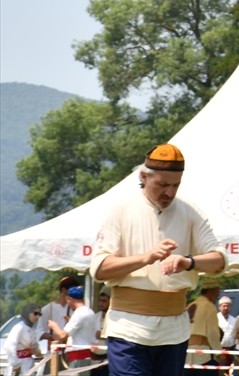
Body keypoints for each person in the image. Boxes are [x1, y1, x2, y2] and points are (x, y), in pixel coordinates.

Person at [90, 143, 227, 376]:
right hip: (127, 328)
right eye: (162, 184)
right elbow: (100, 269)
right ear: (144, 176)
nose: (170, 193)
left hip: (174, 330)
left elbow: (219, 261)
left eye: (175, 185)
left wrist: (189, 262)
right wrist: (147, 257)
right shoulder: (120, 210)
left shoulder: (190, 212)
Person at [46, 286, 100, 369]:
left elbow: (62, 335)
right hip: (86, 354)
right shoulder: (90, 312)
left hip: (78, 355)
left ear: (69, 298)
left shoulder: (79, 313)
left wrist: (54, 326)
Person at [38, 276, 79, 354]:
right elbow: (39, 331)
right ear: (64, 290)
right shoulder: (47, 309)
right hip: (53, 352)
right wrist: (52, 337)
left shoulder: (74, 309)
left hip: (70, 350)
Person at [187, 278, 222, 366]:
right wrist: (219, 353)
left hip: (187, 353)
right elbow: (212, 332)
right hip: (203, 354)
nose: (217, 295)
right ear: (211, 291)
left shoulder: (191, 305)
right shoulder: (209, 306)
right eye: (217, 292)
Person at [4, 305, 43, 376]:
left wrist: (38, 353)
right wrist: (16, 364)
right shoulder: (19, 327)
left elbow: (35, 347)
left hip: (29, 364)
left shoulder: (32, 330)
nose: (37, 317)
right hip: (19, 366)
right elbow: (9, 346)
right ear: (27, 313)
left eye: (39, 314)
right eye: (35, 313)